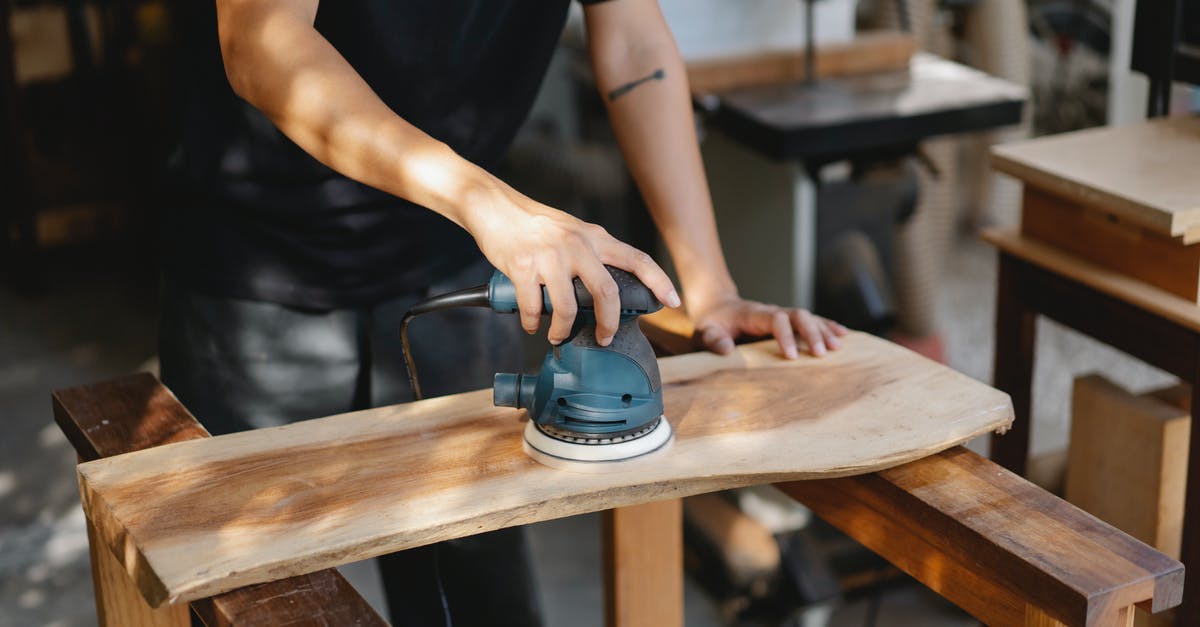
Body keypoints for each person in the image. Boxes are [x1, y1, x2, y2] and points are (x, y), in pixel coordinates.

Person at [158, 1, 848, 625]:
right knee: (254, 600)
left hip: (445, 254)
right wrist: (488, 203)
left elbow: (633, 37)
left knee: (479, 592)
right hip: (256, 269)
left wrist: (709, 286)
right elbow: (262, 41)